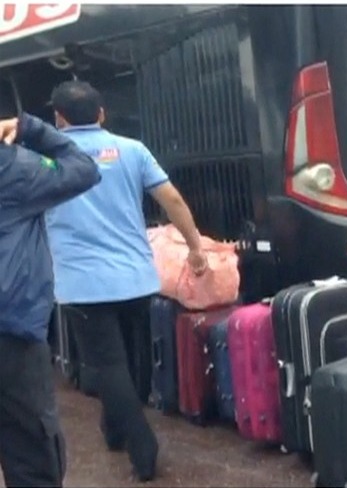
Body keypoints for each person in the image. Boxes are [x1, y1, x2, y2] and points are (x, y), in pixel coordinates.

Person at [43, 80, 208, 482]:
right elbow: (171, 200)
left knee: (109, 366)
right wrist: (195, 247)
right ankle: (114, 430)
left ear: (58, 118)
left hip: (83, 284)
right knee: (132, 361)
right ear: (102, 114)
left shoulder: (47, 157)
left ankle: (142, 447)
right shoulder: (133, 149)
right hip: (136, 278)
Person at [0, 113, 101, 486]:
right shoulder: (14, 169)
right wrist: (30, 129)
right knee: (30, 450)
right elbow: (83, 168)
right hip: (12, 333)